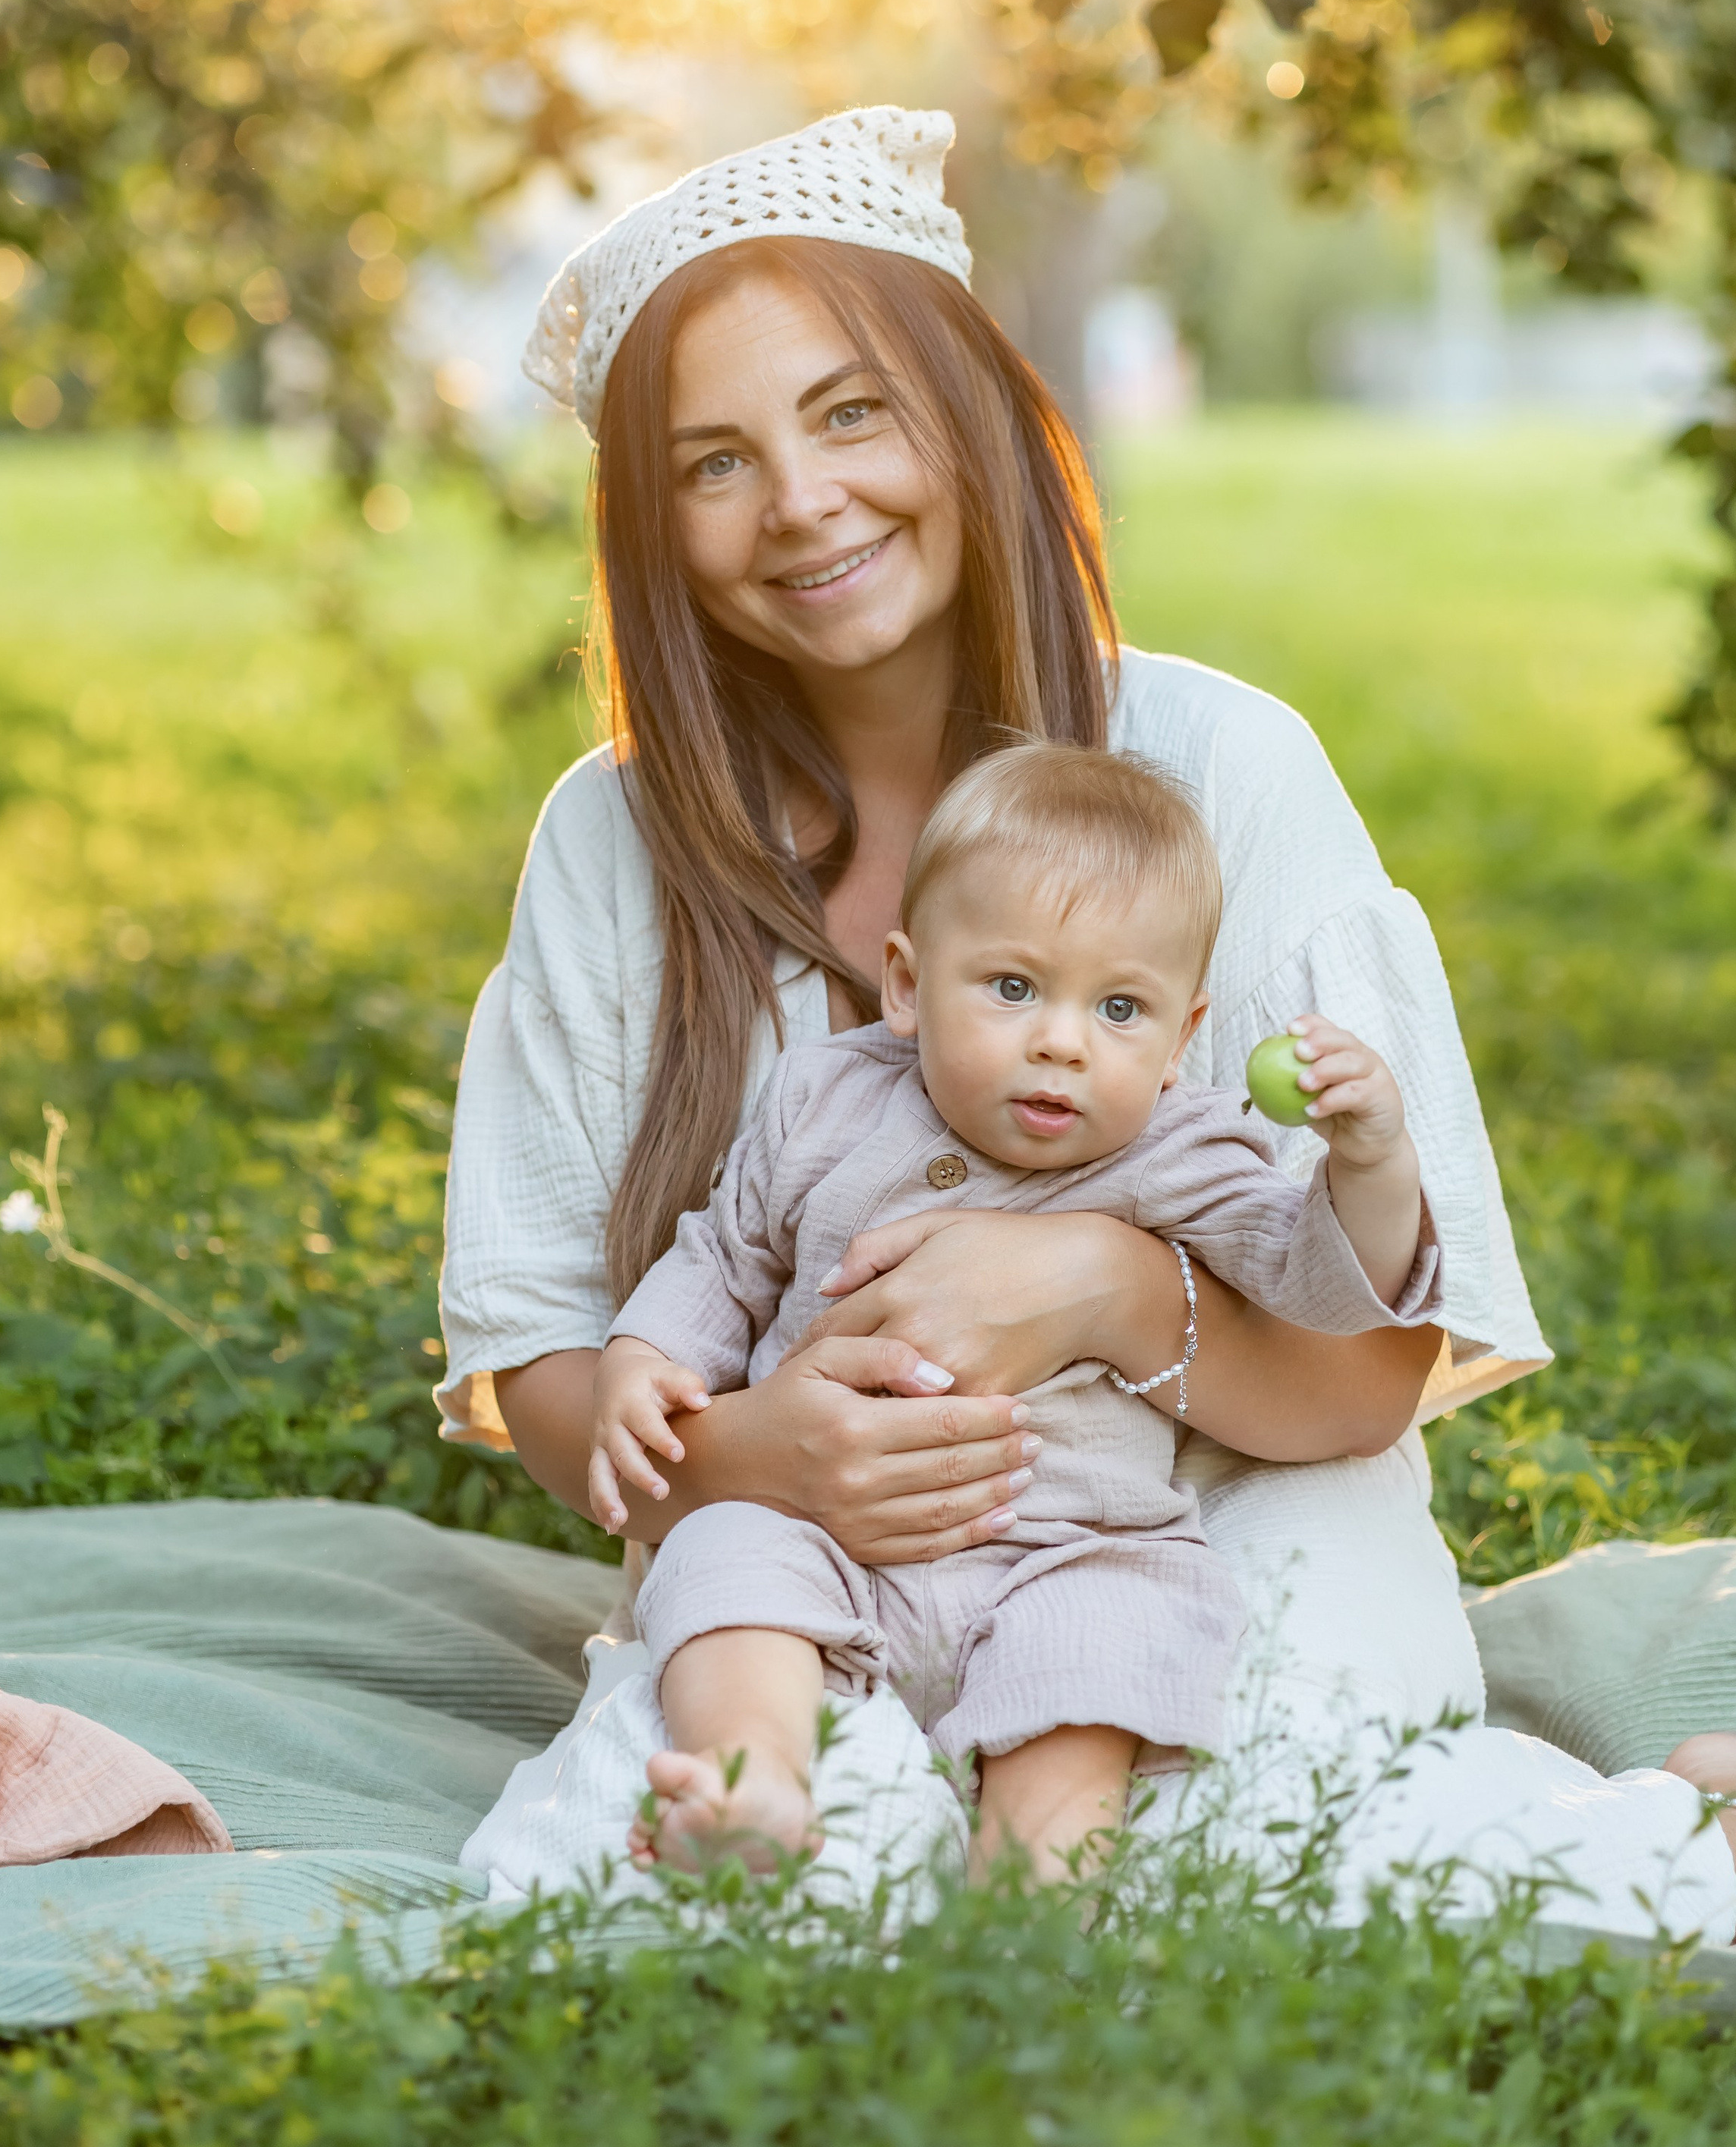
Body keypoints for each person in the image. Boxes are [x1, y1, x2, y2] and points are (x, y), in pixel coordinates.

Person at [440, 102, 1736, 1944]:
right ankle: (795, 1801)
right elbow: (556, 1358)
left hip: (1214, 1509)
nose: (800, 502)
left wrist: (1112, 1296)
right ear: (654, 529)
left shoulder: (1217, 768)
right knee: (723, 1894)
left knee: (1226, 1881)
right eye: (712, 462)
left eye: (850, 412)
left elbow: (1370, 1367)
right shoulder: (612, 842)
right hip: (817, 1554)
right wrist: (753, 1453)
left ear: (966, 422)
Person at [596, 743, 1439, 1881]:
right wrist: (645, 1357)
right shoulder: (825, 1103)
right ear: (906, 984)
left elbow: (1318, 1281)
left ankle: (1034, 1901)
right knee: (723, 1555)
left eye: (1121, 1007)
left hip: (1065, 1550)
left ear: (1182, 1040)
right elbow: (723, 1254)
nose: (1062, 1039)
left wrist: (1370, 1164)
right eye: (1012, 987)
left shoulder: (1179, 1150)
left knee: (1104, 1656)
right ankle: (753, 1787)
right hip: (828, 1539)